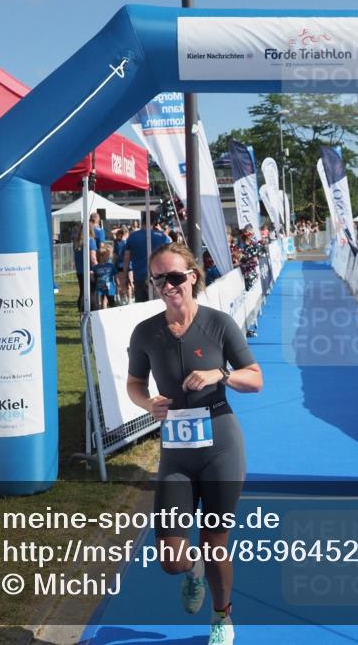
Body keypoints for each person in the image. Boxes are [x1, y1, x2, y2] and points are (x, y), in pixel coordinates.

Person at [126, 244, 263, 645]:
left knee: (215, 542)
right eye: (158, 279)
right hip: (176, 455)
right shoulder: (146, 332)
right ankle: (193, 572)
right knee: (170, 559)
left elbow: (255, 378)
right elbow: (134, 384)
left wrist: (219, 374)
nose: (168, 286)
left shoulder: (219, 324)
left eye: (174, 277)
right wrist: (147, 402)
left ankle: (221, 617)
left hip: (221, 445)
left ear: (192, 277)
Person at [122, 222, 171, 303]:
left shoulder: (133, 236)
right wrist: (161, 231)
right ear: (155, 222)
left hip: (139, 276)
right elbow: (170, 247)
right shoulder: (161, 236)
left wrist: (124, 277)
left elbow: (126, 258)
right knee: (157, 306)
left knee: (141, 307)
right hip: (157, 277)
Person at [73, 223, 98, 312]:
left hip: (80, 271)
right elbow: (93, 258)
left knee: (82, 293)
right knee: (92, 293)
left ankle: (81, 312)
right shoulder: (91, 241)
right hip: (90, 271)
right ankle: (93, 312)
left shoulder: (77, 242)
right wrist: (97, 268)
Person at [93, 243, 118, 309]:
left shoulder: (110, 266)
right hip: (100, 288)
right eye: (107, 256)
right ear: (101, 256)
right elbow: (94, 276)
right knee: (102, 301)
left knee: (112, 303)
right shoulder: (96, 267)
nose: (108, 257)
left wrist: (117, 283)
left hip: (110, 288)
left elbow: (115, 275)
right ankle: (103, 310)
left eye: (109, 256)